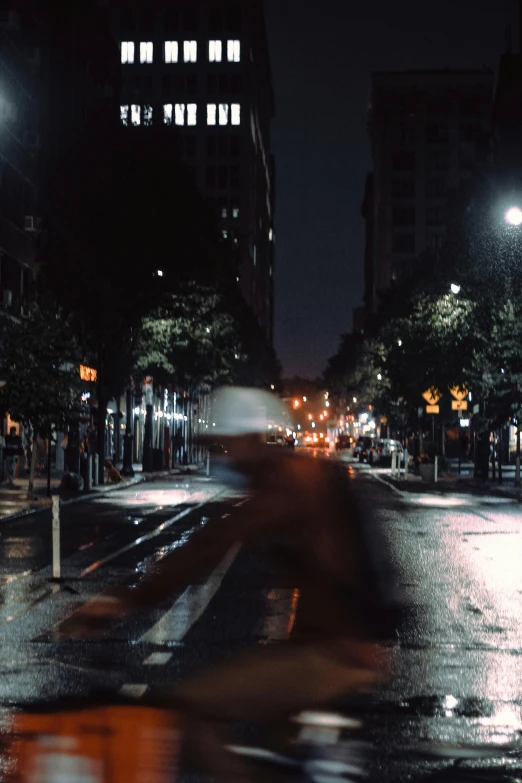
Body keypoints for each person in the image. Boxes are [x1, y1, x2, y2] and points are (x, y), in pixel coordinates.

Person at [67, 387, 401, 780]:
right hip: (332, 642)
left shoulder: (289, 483)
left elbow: (211, 544)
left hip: (334, 651)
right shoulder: (285, 478)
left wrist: (121, 602)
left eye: (223, 444)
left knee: (185, 709)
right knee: (280, 744)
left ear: (251, 439)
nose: (218, 454)